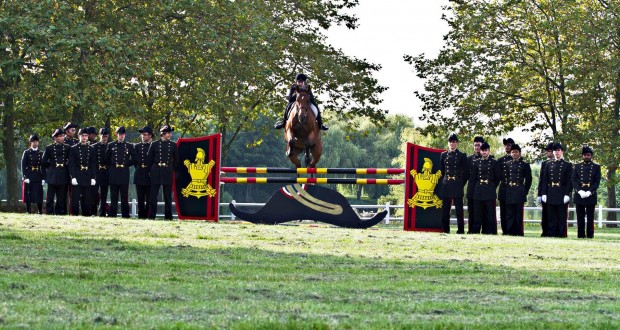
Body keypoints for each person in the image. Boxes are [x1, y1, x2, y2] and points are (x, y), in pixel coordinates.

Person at [541, 143, 572, 238]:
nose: (556, 152)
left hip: (562, 192)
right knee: (551, 216)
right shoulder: (548, 164)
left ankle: (561, 234)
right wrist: (543, 193)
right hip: (550, 191)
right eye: (555, 150)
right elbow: (544, 180)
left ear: (562, 152)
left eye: (558, 150)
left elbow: (569, 181)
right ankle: (551, 233)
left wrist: (567, 194)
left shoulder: (568, 165)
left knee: (561, 215)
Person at [148, 124, 179, 220]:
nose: (170, 135)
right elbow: (149, 158)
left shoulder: (173, 145)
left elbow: (177, 160)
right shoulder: (154, 144)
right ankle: (152, 216)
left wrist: (171, 168)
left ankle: (168, 216)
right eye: (168, 133)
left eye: (170, 133)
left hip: (167, 171)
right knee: (153, 196)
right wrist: (151, 170)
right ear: (163, 134)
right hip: (156, 170)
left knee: (168, 196)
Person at [439, 133, 468, 234]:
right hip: (446, 184)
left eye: (454, 142)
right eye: (451, 142)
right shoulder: (443, 155)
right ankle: (445, 230)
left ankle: (461, 230)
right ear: (448, 143)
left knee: (459, 210)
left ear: (457, 143)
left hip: (457, 184)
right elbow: (442, 171)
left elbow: (466, 172)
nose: (452, 144)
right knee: (445, 210)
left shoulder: (462, 155)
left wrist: (460, 183)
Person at [105, 126, 136, 218]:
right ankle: (112, 214)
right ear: (116, 135)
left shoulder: (129, 146)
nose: (121, 136)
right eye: (119, 134)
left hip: (124, 172)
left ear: (125, 135)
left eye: (122, 134)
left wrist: (126, 164)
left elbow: (134, 159)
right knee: (114, 196)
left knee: (124, 196)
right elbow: (106, 158)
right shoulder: (111, 145)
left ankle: (125, 215)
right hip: (114, 172)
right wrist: (112, 164)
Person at [571, 146, 601, 238]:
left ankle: (590, 235)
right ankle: (580, 235)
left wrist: (590, 191)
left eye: (588, 155)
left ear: (591, 156)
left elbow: (597, 181)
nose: (586, 156)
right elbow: (573, 180)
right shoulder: (577, 166)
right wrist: (579, 190)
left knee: (590, 217)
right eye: (584, 155)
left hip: (590, 194)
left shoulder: (596, 167)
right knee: (580, 217)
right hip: (579, 194)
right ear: (582, 156)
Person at [502, 144, 532, 236]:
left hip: (519, 190)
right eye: (512, 152)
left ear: (519, 153)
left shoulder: (525, 165)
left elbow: (528, 179)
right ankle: (510, 231)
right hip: (510, 190)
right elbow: (505, 178)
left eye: (516, 152)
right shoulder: (507, 164)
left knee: (518, 213)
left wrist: (525, 191)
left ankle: (519, 232)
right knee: (509, 213)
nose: (514, 154)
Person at [471, 142, 500, 234]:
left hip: (489, 190)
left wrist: (491, 186)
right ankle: (475, 231)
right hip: (478, 190)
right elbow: (473, 178)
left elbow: (497, 177)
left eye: (486, 150)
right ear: (480, 151)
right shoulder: (476, 162)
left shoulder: (494, 162)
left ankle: (492, 232)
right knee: (477, 213)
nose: (484, 152)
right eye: (482, 151)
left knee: (490, 213)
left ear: (489, 151)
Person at [42, 128, 71, 215]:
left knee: (61, 197)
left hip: (63, 173)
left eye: (63, 136)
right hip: (52, 174)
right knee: (50, 196)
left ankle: (60, 212)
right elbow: (43, 162)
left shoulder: (67, 147)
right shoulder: (49, 148)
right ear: (55, 138)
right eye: (60, 136)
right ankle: (49, 212)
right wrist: (51, 166)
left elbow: (71, 161)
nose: (62, 138)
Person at [68, 128, 96, 216]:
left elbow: (93, 164)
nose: (84, 137)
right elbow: (71, 164)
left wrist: (93, 177)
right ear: (79, 136)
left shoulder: (91, 149)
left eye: (86, 136)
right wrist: (73, 176)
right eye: (82, 136)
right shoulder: (74, 148)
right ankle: (74, 215)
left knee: (87, 198)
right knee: (75, 198)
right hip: (77, 175)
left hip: (87, 175)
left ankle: (86, 215)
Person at [21, 134, 45, 214]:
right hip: (29, 174)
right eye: (33, 142)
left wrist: (44, 178)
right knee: (28, 193)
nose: (35, 143)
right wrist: (25, 176)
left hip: (38, 174)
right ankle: (28, 211)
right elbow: (23, 165)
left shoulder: (41, 153)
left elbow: (43, 166)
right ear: (30, 143)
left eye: (36, 141)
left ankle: (40, 211)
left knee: (39, 193)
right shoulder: (27, 152)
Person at [134, 126, 153, 219]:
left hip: (149, 174)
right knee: (140, 198)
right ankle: (141, 216)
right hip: (139, 174)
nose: (143, 136)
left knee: (149, 198)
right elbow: (135, 160)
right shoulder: (137, 146)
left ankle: (148, 215)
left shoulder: (153, 146)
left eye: (145, 135)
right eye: (142, 135)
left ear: (150, 136)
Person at [466, 136, 484, 233]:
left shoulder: (488, 158)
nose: (477, 147)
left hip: (483, 189)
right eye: (475, 145)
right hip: (471, 188)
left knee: (482, 212)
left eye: (479, 145)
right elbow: (465, 174)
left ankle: (485, 230)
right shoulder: (469, 159)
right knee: (471, 211)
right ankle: (471, 230)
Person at [537, 143, 555, 236]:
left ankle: (553, 231)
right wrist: (539, 194)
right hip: (545, 191)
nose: (547, 153)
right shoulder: (544, 163)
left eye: (549, 151)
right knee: (545, 214)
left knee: (553, 213)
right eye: (547, 151)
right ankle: (545, 231)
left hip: (554, 191)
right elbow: (542, 179)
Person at [497, 137, 514, 234]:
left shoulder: (516, 159)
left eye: (509, 145)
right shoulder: (500, 160)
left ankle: (511, 230)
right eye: (506, 145)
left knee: (510, 211)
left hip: (512, 188)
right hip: (503, 188)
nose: (507, 147)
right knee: (503, 211)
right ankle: (504, 230)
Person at [93, 128, 110, 216]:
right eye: (103, 136)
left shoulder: (110, 146)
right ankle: (93, 212)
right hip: (97, 172)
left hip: (106, 172)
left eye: (106, 136)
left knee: (104, 194)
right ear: (100, 136)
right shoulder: (94, 146)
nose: (105, 138)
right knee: (94, 193)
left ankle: (102, 212)